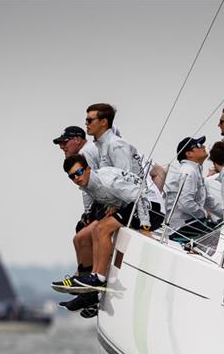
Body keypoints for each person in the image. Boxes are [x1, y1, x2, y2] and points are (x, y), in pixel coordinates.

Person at [52, 154, 159, 309]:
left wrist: (145, 227)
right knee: (95, 229)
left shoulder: (107, 181)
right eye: (72, 176)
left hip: (150, 207)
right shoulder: (88, 184)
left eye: (79, 172)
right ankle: (90, 279)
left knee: (102, 228)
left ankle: (98, 277)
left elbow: (139, 195)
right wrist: (115, 206)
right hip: (132, 205)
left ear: (88, 169)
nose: (77, 178)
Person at [86, 103, 166, 209]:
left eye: (89, 120)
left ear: (104, 122)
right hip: (125, 201)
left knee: (97, 226)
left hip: (136, 204)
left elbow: (126, 178)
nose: (86, 123)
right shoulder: (103, 145)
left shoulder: (115, 144)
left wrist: (114, 207)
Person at [52, 125, 102, 284]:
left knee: (81, 234)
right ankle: (82, 275)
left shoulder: (85, 153)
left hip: (109, 200)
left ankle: (85, 278)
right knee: (81, 229)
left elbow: (90, 184)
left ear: (78, 140)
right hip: (103, 200)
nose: (61, 146)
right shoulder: (86, 152)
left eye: (64, 142)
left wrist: (89, 212)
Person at [164, 136, 223, 241]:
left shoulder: (195, 171)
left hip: (190, 223)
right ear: (189, 154)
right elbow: (185, 203)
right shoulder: (189, 171)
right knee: (222, 238)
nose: (203, 146)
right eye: (198, 145)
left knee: (222, 230)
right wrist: (204, 213)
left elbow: (208, 201)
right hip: (180, 228)